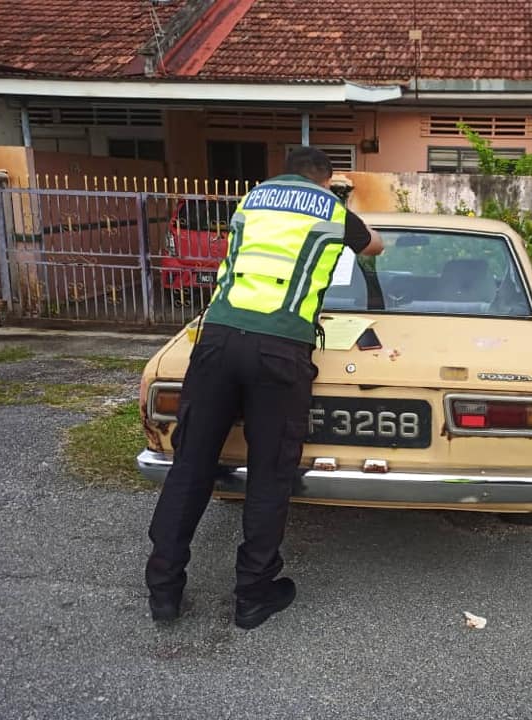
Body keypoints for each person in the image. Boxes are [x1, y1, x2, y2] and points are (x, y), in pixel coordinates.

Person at [145, 147, 383, 628]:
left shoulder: (251, 200)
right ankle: (253, 595)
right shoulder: (332, 208)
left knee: (191, 465)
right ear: (324, 179)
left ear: (285, 172)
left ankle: (163, 589)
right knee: (270, 472)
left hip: (216, 339)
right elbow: (374, 246)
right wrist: (338, 206)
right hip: (280, 347)